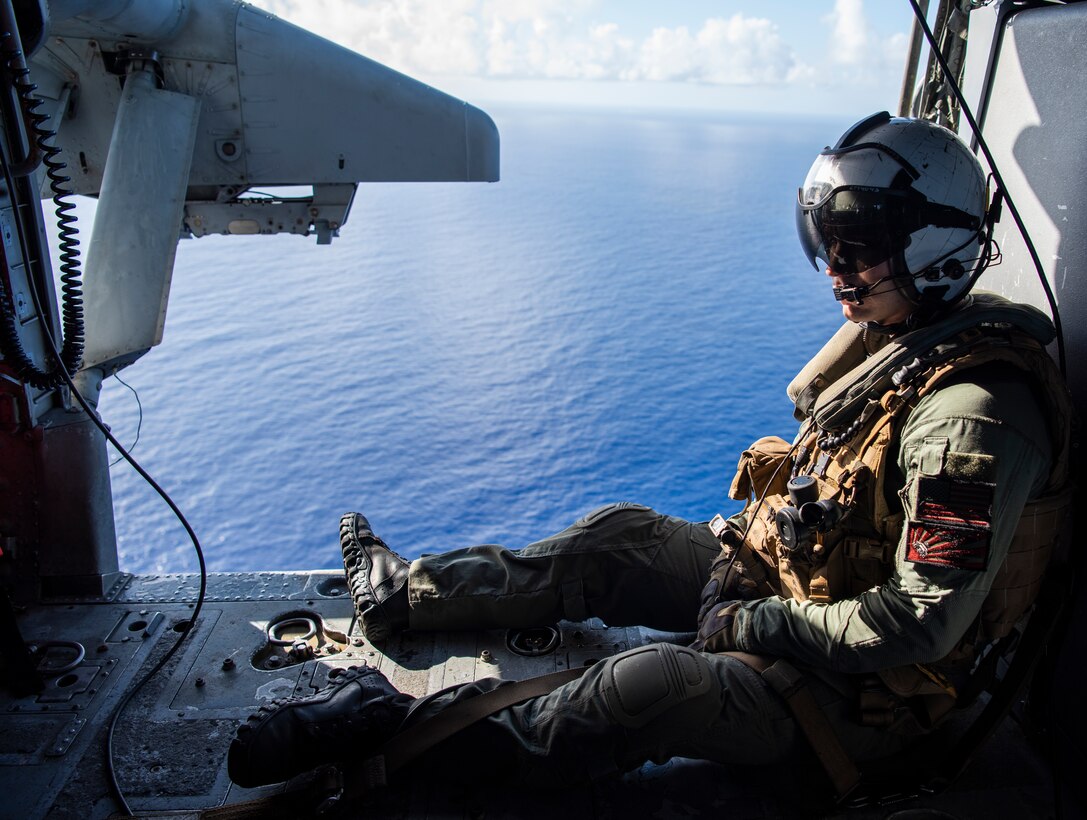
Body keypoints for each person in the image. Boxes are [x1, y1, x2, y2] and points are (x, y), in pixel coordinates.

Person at [227, 112, 1073, 797]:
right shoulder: (908, 342)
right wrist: (759, 593)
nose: (836, 270)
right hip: (800, 589)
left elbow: (919, 623)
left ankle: (393, 756)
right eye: (829, 242)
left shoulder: (973, 424)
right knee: (620, 535)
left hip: (870, 700)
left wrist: (756, 622)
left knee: (651, 685)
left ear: (932, 245)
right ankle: (407, 594)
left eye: (858, 244)